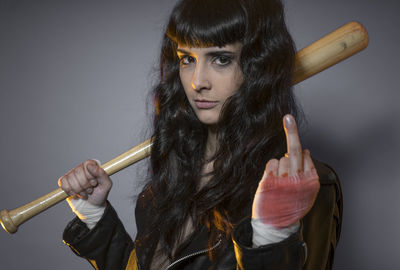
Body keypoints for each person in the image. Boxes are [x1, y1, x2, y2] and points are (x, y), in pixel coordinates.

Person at [59, 0, 342, 269]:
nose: (197, 82)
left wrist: (270, 239)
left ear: (258, 65)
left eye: (221, 59)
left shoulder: (299, 185)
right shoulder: (163, 187)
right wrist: (96, 220)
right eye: (187, 59)